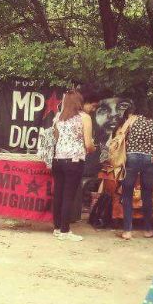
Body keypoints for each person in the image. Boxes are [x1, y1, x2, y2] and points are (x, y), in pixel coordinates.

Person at [52, 89, 96, 241]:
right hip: (74, 160)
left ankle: (57, 228)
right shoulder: (84, 117)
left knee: (58, 194)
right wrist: (93, 148)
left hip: (58, 159)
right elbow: (88, 144)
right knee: (69, 195)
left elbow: (56, 137)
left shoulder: (58, 117)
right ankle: (65, 231)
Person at [118, 105, 153, 240]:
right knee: (147, 195)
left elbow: (121, 137)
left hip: (131, 158)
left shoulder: (131, 121)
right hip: (150, 159)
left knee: (127, 194)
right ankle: (148, 230)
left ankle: (127, 231)